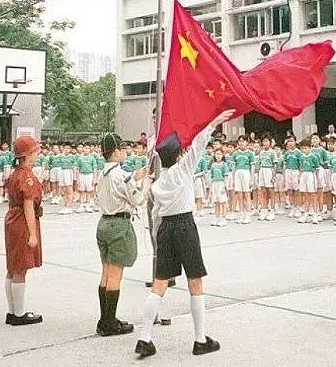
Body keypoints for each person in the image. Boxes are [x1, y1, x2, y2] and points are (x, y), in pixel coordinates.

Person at [135, 109, 234, 358]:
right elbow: (200, 143)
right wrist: (212, 121)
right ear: (180, 155)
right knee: (195, 281)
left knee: (159, 284)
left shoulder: (157, 184)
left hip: (165, 228)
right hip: (185, 226)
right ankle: (200, 339)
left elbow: (155, 215)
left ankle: (145, 337)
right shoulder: (183, 171)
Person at [96, 133, 151, 336]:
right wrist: (146, 184)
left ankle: (104, 319)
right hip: (118, 225)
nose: (125, 151)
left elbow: (120, 183)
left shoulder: (102, 172)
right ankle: (110, 323)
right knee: (115, 275)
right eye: (122, 148)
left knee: (105, 273)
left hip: (103, 223)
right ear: (116, 151)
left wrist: (136, 176)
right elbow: (137, 199)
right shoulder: (120, 175)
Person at [4, 135, 44, 326]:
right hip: (22, 221)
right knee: (21, 267)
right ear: (28, 154)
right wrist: (33, 233)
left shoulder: (14, 174)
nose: (38, 153)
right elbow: (29, 206)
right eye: (35, 150)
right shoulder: (27, 176)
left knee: (12, 267)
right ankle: (19, 315)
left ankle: (12, 312)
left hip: (12, 219)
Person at [209, 148, 229, 227]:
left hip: (221, 183)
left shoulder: (224, 164)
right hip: (215, 183)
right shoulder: (213, 165)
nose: (218, 156)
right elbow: (211, 176)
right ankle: (216, 217)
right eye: (217, 154)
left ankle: (223, 218)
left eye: (220, 154)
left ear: (222, 155)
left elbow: (226, 176)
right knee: (216, 201)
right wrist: (211, 188)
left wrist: (225, 186)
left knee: (222, 201)